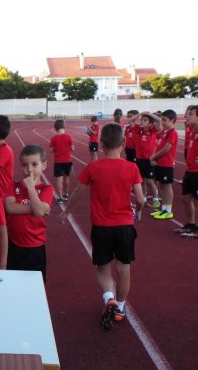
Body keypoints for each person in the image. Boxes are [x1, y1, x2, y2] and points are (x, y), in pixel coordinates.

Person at [60, 123, 144, 331]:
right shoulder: (132, 167)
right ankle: (121, 307)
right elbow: (141, 198)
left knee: (103, 269)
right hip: (125, 226)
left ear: (101, 144)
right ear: (123, 144)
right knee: (124, 269)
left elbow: (78, 191)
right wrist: (139, 210)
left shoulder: (93, 168)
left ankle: (109, 298)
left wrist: (66, 212)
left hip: (101, 227)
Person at [4, 144, 53, 283]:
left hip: (35, 247)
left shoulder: (46, 189)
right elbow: (10, 208)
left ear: (44, 165)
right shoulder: (13, 186)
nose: (29, 169)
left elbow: (38, 212)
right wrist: (38, 208)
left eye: (34, 164)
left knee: (35, 284)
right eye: (25, 165)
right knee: (13, 283)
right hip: (13, 244)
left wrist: (31, 187)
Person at [149, 109, 178, 220]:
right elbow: (159, 146)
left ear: (172, 121)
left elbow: (166, 149)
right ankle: (164, 209)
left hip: (167, 164)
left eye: (165, 120)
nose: (162, 122)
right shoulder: (165, 132)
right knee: (161, 185)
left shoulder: (172, 133)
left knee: (167, 186)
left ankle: (168, 210)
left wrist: (153, 157)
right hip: (160, 163)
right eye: (162, 119)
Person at [131, 111, 161, 209]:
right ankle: (143, 199)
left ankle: (156, 199)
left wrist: (150, 114)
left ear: (150, 124)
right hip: (139, 159)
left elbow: (159, 120)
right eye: (142, 120)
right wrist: (140, 114)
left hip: (148, 160)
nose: (142, 122)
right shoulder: (138, 130)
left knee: (149, 181)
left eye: (145, 120)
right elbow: (130, 120)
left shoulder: (153, 131)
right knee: (141, 181)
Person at [177, 105, 198, 237]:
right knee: (185, 198)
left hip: (197, 172)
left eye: (190, 114)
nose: (186, 116)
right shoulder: (192, 131)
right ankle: (190, 224)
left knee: (195, 200)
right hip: (190, 170)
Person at [49, 119, 75, 204]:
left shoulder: (54, 138)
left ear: (55, 128)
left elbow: (50, 150)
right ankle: (66, 194)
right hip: (67, 161)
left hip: (58, 162)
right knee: (66, 177)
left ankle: (60, 197)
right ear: (64, 127)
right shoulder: (68, 137)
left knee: (59, 179)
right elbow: (73, 149)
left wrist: (55, 148)